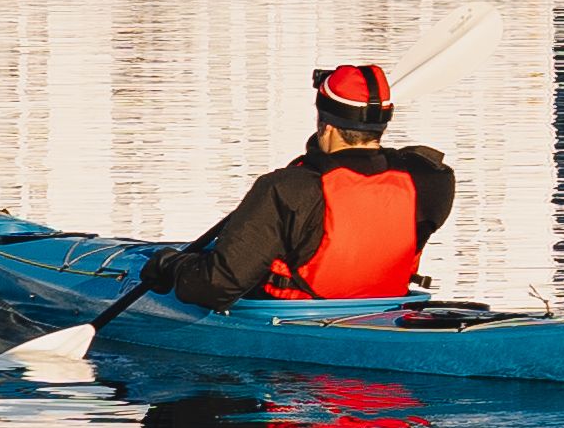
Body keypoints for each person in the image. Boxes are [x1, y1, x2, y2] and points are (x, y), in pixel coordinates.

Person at [143, 62, 461, 310]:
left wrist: (174, 266)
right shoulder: (431, 183)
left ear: (324, 124)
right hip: (385, 308)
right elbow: (414, 159)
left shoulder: (286, 189)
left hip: (295, 317)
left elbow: (216, 286)